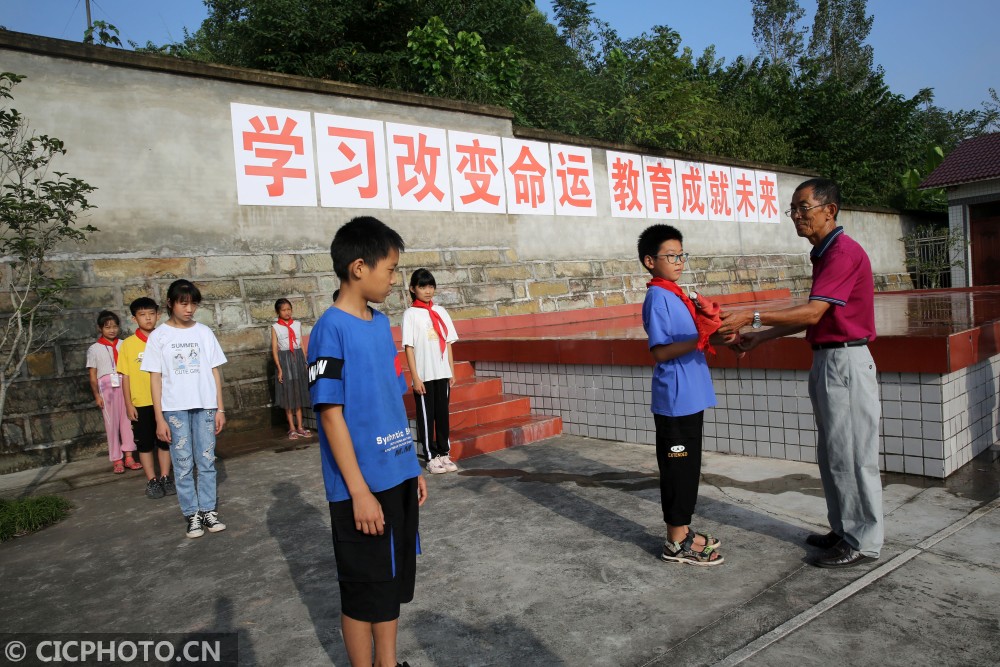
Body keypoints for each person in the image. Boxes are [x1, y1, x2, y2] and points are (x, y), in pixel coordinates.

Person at [719, 177, 883, 569]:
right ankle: (844, 528)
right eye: (792, 209)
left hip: (845, 363)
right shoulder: (824, 253)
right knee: (832, 453)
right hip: (829, 360)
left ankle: (863, 540)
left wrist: (751, 314)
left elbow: (812, 312)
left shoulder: (842, 252)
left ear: (830, 210)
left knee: (854, 454)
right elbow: (814, 314)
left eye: (802, 208)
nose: (796, 216)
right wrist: (761, 336)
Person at [308, 216, 427, 667]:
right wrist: (358, 491)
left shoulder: (380, 325)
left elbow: (392, 401)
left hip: (396, 474)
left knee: (390, 579)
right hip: (360, 486)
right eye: (391, 270)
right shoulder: (329, 330)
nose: (395, 280)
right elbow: (331, 415)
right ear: (359, 267)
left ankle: (388, 662)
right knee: (362, 589)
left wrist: (410, 464)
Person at [638, 224, 725, 566]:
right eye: (670, 256)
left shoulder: (676, 294)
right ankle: (676, 543)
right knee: (678, 470)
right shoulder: (658, 297)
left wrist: (709, 322)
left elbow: (696, 338)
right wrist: (701, 336)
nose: (678, 261)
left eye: (681, 255)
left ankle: (684, 531)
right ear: (649, 261)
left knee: (688, 468)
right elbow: (660, 351)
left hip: (689, 395)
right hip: (675, 399)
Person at [141, 280, 228, 539]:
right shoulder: (159, 337)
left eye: (193, 304)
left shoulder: (204, 332)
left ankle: (208, 510)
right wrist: (159, 418)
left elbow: (215, 371)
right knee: (182, 464)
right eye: (183, 303)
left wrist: (220, 409)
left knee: (206, 460)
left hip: (205, 407)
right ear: (170, 303)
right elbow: (154, 379)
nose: (189, 309)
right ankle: (192, 515)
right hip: (174, 410)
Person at [402, 268, 459, 474]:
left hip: (442, 373)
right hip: (424, 375)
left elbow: (448, 342)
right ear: (412, 289)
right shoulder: (410, 314)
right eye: (422, 286)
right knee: (427, 416)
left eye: (431, 286)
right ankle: (430, 456)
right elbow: (409, 347)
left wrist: (451, 371)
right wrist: (415, 377)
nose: (428, 291)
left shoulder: (441, 311)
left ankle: (444, 452)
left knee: (442, 415)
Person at [117, 297, 174, 499]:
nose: (148, 318)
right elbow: (125, 376)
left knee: (165, 441)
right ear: (134, 318)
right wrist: (128, 403)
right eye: (142, 315)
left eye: (151, 314)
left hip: (165, 401)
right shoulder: (128, 345)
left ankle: (166, 476)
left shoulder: (166, 338)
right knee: (145, 444)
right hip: (141, 402)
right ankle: (152, 480)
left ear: (158, 315)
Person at [87, 310, 140, 474]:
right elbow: (93, 375)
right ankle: (117, 458)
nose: (112, 330)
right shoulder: (94, 349)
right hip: (106, 388)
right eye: (107, 327)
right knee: (111, 424)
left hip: (124, 384)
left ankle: (129, 455)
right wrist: (97, 395)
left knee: (127, 422)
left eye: (115, 326)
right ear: (100, 328)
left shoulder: (124, 344)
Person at [271, 298, 311, 440]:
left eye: (289, 309)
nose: (287, 312)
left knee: (298, 392)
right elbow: (275, 349)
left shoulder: (297, 324)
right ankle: (292, 428)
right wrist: (280, 368)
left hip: (297, 359)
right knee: (288, 395)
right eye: (283, 310)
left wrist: (305, 362)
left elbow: (300, 344)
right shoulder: (275, 327)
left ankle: (300, 426)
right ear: (278, 312)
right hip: (284, 359)